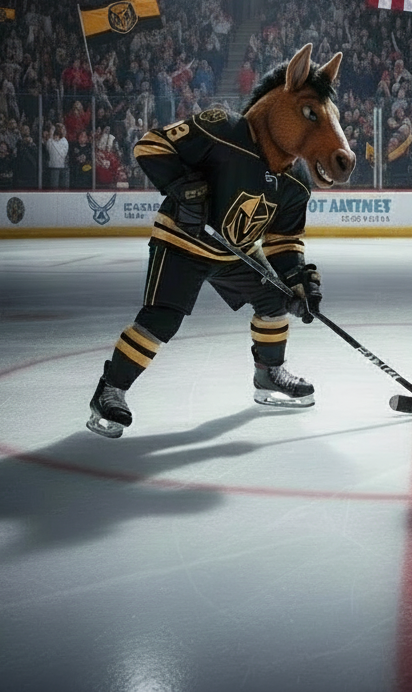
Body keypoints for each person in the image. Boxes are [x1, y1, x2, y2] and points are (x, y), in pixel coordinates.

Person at [85, 45, 355, 439]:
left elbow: (283, 241)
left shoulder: (295, 182)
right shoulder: (221, 128)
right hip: (183, 239)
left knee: (275, 298)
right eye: (310, 114)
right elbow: (151, 146)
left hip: (238, 253)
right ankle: (110, 391)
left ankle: (268, 374)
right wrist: (184, 187)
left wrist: (297, 278)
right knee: (162, 319)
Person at [46, 123, 70, 189]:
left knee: (63, 190)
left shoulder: (65, 141)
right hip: (52, 168)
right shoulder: (50, 141)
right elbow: (51, 150)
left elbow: (62, 154)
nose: (64, 131)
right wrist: (51, 137)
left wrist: (53, 141)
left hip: (62, 169)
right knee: (53, 189)